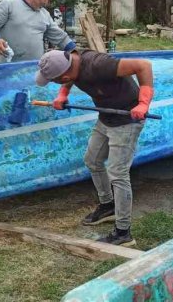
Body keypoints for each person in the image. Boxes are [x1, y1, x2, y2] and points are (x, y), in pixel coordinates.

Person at [35, 49, 154, 247]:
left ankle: (124, 233)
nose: (57, 82)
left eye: (54, 81)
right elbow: (70, 76)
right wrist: (63, 93)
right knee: (93, 160)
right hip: (106, 117)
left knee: (117, 173)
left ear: (63, 75)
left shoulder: (99, 65)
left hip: (126, 120)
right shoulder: (70, 62)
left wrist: (143, 103)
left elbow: (143, 66)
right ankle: (108, 205)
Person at [0, 0, 76, 63]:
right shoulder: (9, 5)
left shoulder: (44, 14)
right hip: (9, 68)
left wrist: (75, 53)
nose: (46, 2)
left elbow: (60, 37)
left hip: (34, 69)